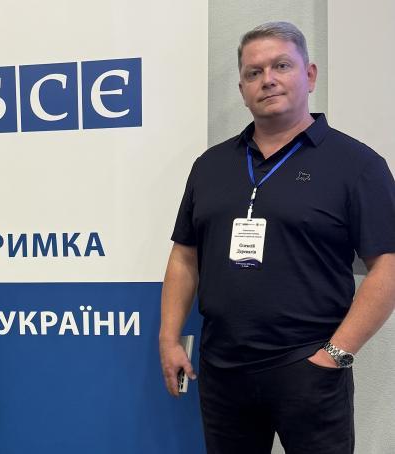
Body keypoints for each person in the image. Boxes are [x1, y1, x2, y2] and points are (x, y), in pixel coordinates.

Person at [159, 22, 395, 453]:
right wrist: (169, 338)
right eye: (254, 72)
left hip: (308, 366)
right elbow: (184, 256)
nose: (267, 79)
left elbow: (388, 267)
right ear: (242, 88)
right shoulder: (210, 166)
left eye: (281, 66)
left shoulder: (356, 165)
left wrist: (335, 355)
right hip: (223, 368)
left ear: (310, 75)